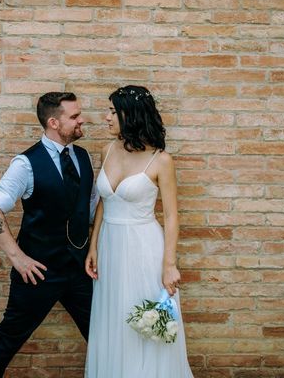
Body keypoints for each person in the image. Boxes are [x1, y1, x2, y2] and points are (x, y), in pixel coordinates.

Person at [0, 92, 95, 378]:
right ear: (54, 122)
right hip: (38, 272)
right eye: (75, 116)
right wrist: (18, 258)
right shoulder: (26, 163)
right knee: (8, 339)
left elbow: (87, 210)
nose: (82, 120)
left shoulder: (83, 156)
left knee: (103, 335)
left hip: (79, 271)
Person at [84, 85, 193, 378]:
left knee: (145, 322)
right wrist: (93, 246)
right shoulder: (107, 150)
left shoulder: (161, 160)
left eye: (112, 111)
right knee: (114, 320)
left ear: (129, 115)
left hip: (144, 248)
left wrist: (168, 265)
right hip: (110, 246)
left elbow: (171, 216)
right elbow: (104, 204)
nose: (106, 117)